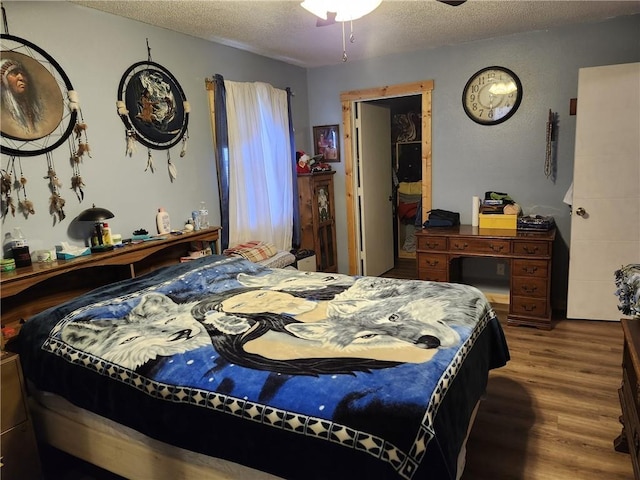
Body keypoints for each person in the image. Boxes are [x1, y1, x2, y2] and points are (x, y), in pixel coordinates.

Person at [0, 58, 43, 135]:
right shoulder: (4, 114)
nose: (21, 78)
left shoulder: (36, 111)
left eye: (23, 74)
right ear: (3, 80)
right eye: (14, 73)